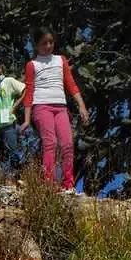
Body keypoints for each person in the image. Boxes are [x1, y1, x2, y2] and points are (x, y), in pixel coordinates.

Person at [20, 27, 90, 192]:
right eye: (44, 43)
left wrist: (81, 105)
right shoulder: (32, 65)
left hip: (60, 107)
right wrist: (27, 119)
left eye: (51, 42)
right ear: (36, 45)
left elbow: (70, 83)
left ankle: (68, 185)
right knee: (51, 143)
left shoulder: (61, 60)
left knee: (67, 144)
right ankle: (48, 183)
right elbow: (29, 92)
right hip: (41, 106)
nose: (49, 46)